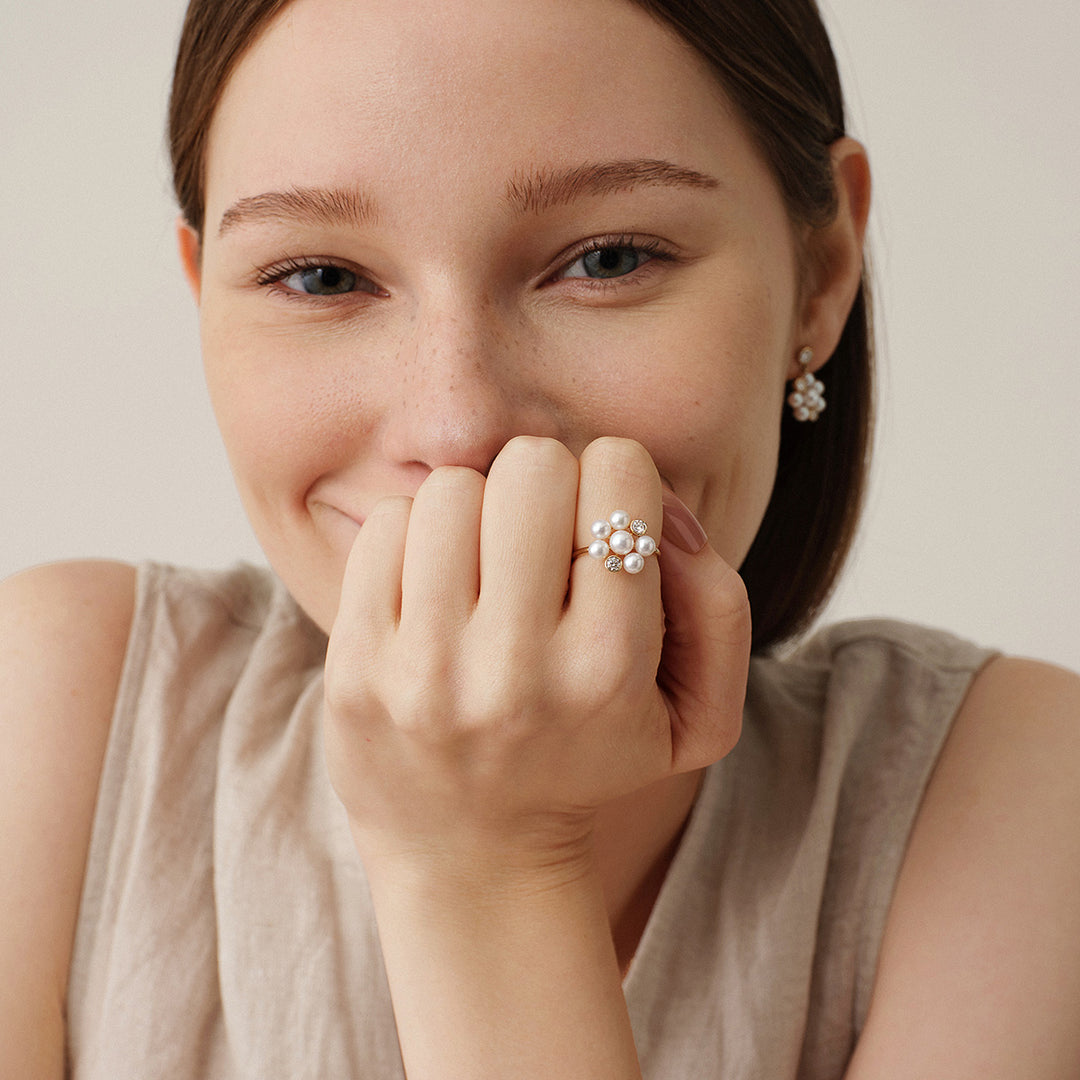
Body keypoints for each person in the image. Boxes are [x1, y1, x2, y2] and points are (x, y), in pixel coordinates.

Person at [1, 0, 1078, 1076]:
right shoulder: (52, 718)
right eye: (321, 277)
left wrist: (481, 859)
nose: (457, 428)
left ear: (823, 270)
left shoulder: (1015, 802)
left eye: (608, 259)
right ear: (203, 299)